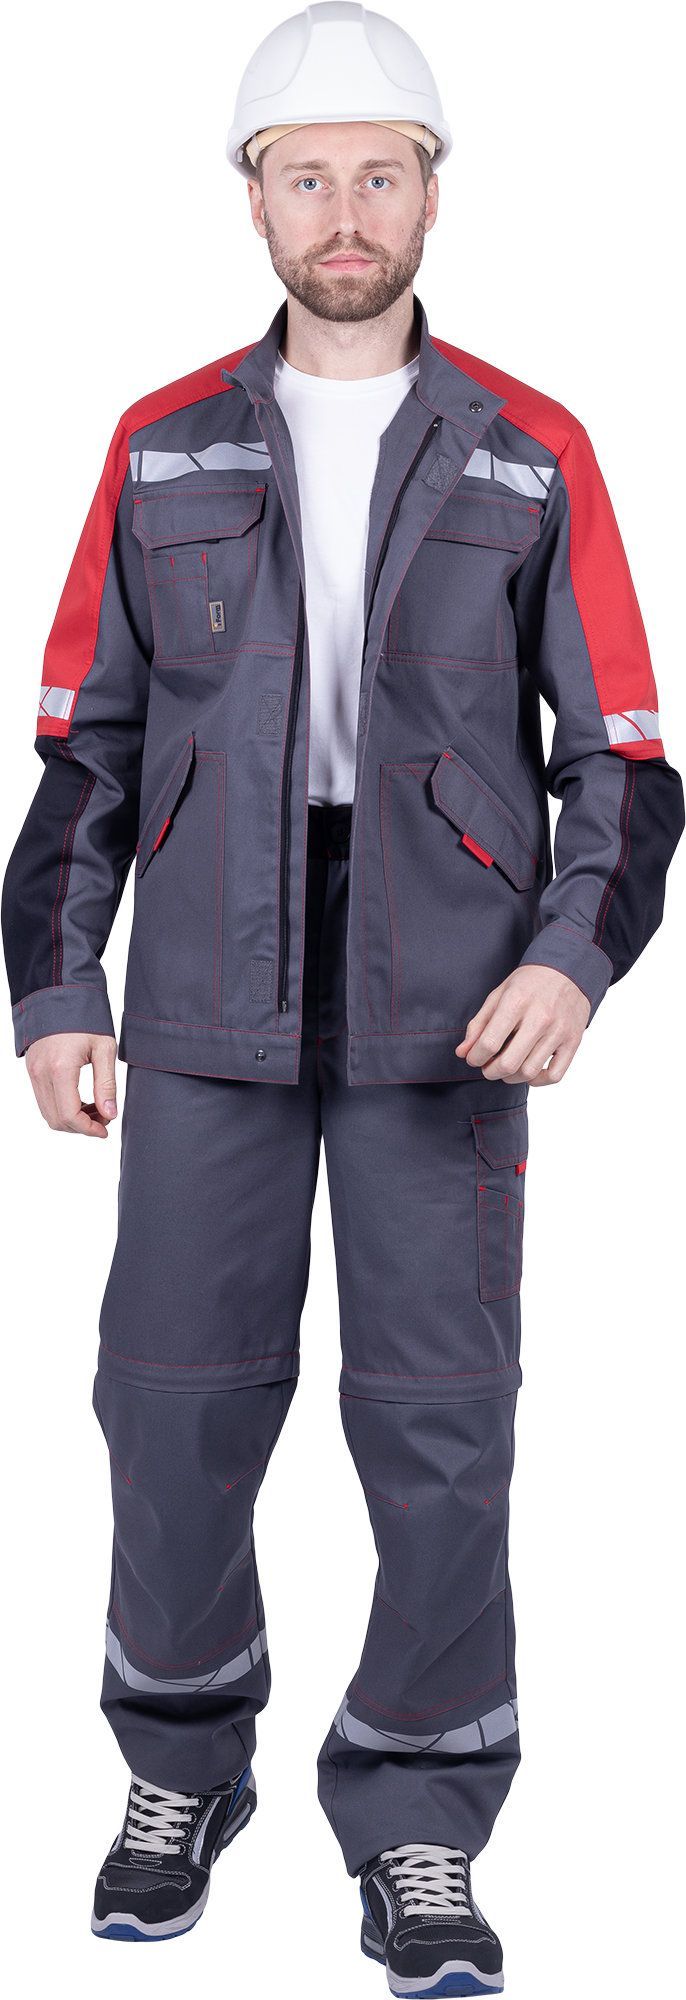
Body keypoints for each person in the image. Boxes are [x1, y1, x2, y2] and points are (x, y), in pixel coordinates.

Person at [2, 2, 683, 1990]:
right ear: (254, 202)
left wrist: (568, 958)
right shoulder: (160, 440)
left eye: (380, 172)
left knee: (440, 1426)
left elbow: (625, 758)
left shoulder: (531, 447)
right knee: (171, 1406)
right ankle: (180, 1763)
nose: (345, 209)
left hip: (446, 1006)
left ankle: (419, 1815)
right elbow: (85, 747)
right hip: (198, 999)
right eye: (306, 176)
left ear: (432, 195)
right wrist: (56, 983)